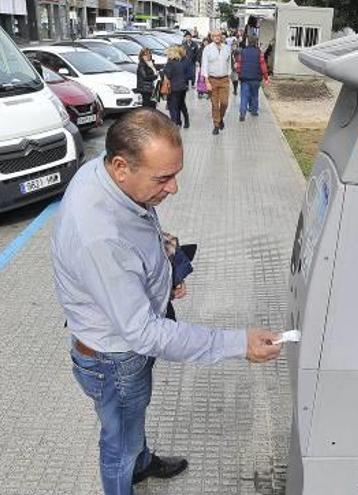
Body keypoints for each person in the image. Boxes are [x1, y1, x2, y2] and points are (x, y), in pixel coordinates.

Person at [51, 109, 282, 495]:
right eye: (163, 178)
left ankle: (140, 465)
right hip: (115, 360)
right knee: (118, 443)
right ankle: (128, 471)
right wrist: (238, 343)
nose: (173, 189)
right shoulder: (100, 236)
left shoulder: (103, 173)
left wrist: (163, 268)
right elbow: (143, 332)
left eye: (175, 174)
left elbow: (135, 242)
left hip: (123, 347)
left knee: (130, 422)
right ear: (121, 166)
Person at [200, 30, 232, 135]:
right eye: (215, 36)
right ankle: (216, 125)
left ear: (221, 37)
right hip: (212, 79)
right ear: (212, 37)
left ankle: (220, 118)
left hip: (224, 79)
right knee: (215, 104)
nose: (217, 37)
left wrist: (229, 76)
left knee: (224, 103)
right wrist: (207, 81)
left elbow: (229, 63)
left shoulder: (227, 48)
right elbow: (204, 66)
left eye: (219, 35)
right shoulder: (207, 49)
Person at [236, 36, 269, 121]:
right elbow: (263, 65)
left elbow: (239, 64)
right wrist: (266, 77)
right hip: (256, 78)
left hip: (245, 79)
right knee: (255, 95)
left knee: (244, 96)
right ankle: (254, 111)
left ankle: (242, 114)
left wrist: (239, 74)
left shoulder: (243, 52)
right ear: (256, 43)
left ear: (248, 42)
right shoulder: (259, 53)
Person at [162, 45, 192, 128]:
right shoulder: (179, 62)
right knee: (181, 104)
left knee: (173, 107)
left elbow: (168, 74)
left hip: (174, 88)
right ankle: (183, 121)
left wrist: (162, 72)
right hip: (182, 87)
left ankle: (174, 124)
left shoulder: (170, 63)